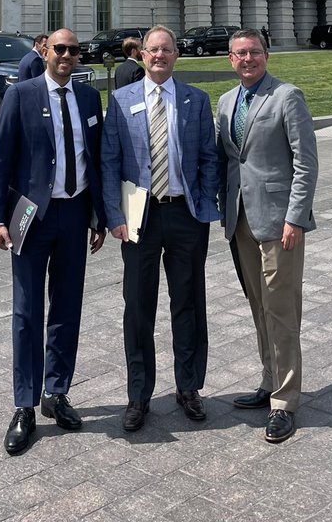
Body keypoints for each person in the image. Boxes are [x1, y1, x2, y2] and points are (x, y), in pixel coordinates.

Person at [0, 29, 106, 456]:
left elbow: (97, 160)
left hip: (75, 215)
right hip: (30, 218)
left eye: (74, 50)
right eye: (60, 49)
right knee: (27, 310)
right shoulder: (22, 95)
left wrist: (100, 217)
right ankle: (24, 405)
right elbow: (1, 159)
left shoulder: (90, 100)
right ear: (45, 51)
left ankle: (56, 393)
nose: (67, 56)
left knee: (68, 306)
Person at [101, 24, 219, 432]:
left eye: (166, 50)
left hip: (185, 215)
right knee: (138, 307)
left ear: (176, 56)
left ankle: (189, 387)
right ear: (142, 55)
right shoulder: (120, 100)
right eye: (152, 50)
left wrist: (204, 203)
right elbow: (109, 163)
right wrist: (114, 216)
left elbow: (208, 156)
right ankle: (139, 395)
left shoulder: (195, 100)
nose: (159, 56)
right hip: (140, 218)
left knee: (187, 303)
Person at [216, 28, 318, 444]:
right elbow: (229, 161)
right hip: (240, 219)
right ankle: (269, 380)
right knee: (258, 304)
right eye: (240, 54)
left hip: (280, 223)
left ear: (267, 55)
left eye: (254, 53)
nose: (247, 60)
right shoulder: (225, 102)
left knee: (281, 309)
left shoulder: (287, 96)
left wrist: (295, 218)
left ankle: (285, 401)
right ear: (230, 59)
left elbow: (306, 163)